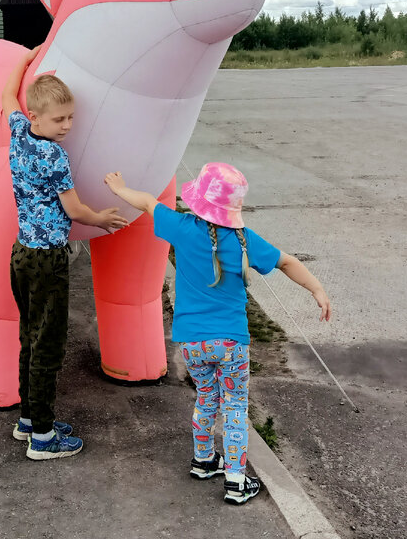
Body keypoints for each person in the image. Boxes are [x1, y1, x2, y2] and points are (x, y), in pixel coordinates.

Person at [104, 163, 331, 504]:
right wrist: (317, 289)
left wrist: (120, 189)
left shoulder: (182, 228)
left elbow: (149, 203)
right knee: (236, 406)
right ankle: (237, 481)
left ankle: (203, 459)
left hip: (192, 341)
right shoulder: (243, 241)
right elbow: (286, 262)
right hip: (231, 342)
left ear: (197, 201)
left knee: (207, 398)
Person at [2, 48, 128, 460]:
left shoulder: (19, 130)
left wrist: (24, 62)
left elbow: (7, 97)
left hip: (21, 254)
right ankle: (43, 437)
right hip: (46, 259)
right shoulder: (55, 156)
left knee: (29, 336)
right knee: (48, 344)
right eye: (60, 119)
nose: (67, 126)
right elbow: (74, 210)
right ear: (37, 116)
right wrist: (101, 218)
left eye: (70, 117)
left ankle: (28, 419)